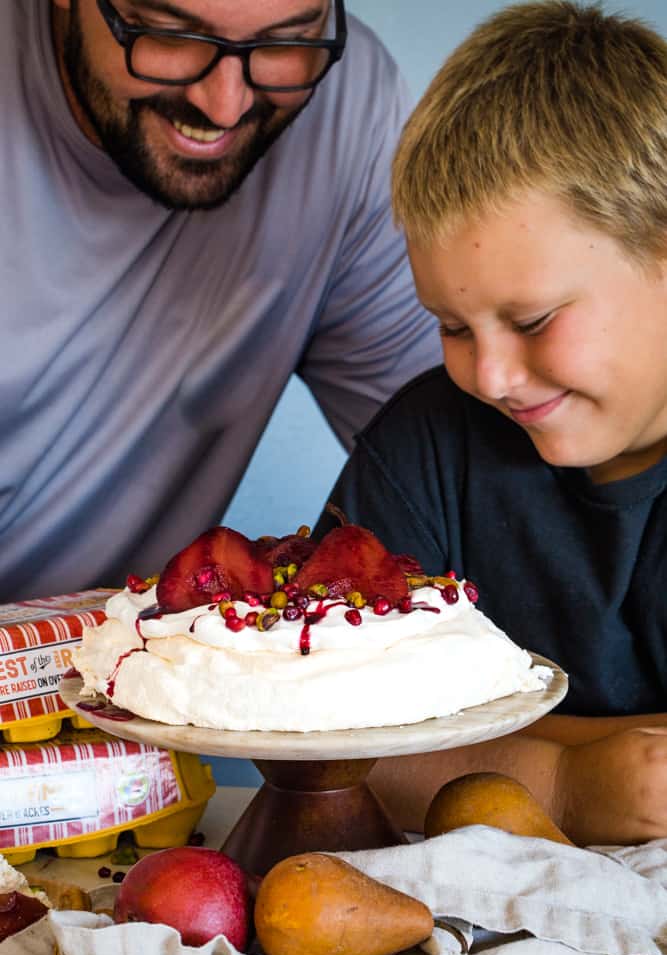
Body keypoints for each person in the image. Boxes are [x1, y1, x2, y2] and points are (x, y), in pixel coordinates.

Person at [316, 1, 667, 846]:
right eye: (453, 327)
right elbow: (326, 742)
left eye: (535, 319)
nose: (492, 377)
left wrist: (474, 745)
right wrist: (565, 780)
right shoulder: (421, 448)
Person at [1, 0, 439, 601]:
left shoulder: (350, 108)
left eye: (286, 40)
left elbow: (461, 466)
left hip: (115, 672)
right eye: (170, 34)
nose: (224, 104)